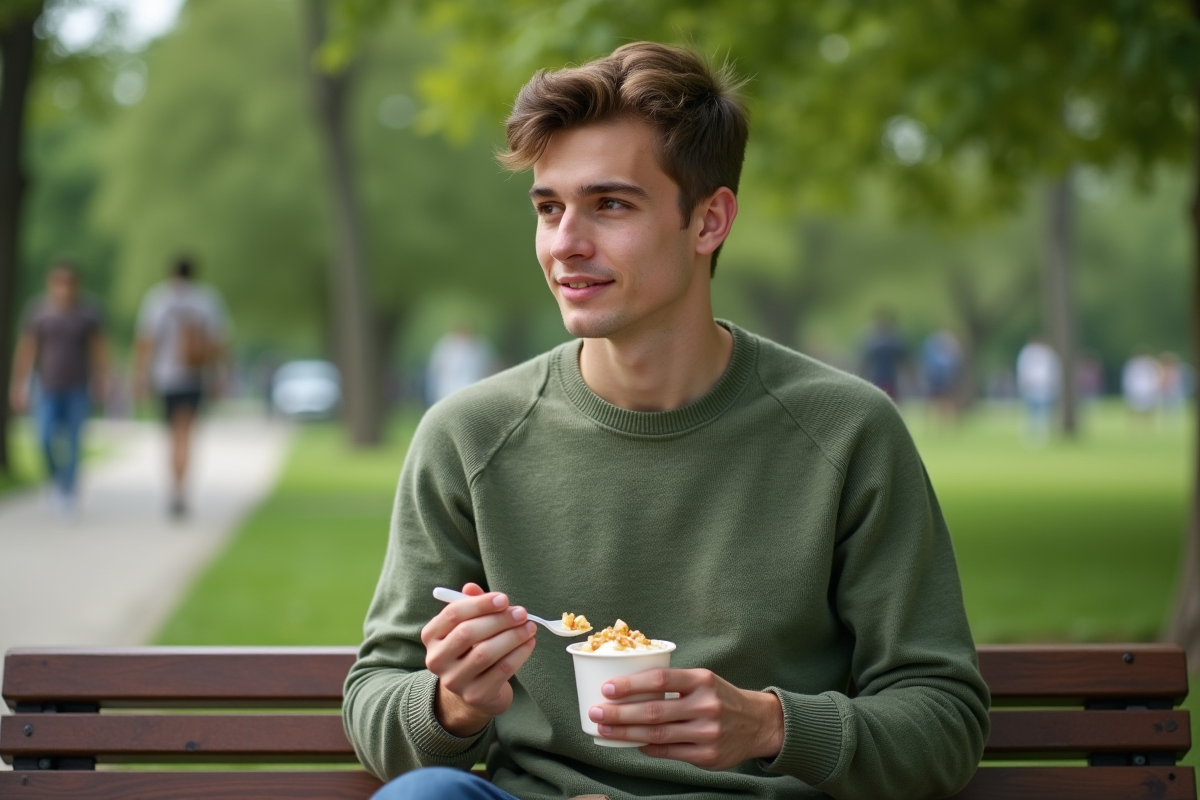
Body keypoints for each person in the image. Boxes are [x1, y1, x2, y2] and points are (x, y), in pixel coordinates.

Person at [345, 42, 989, 800]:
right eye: (549, 207)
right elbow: (375, 696)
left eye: (609, 204)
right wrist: (451, 707)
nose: (564, 245)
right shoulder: (469, 436)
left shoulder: (846, 432)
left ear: (709, 221)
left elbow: (945, 720)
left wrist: (772, 726)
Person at [8, 262, 107, 518]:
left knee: (73, 441)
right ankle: (56, 480)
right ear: (50, 284)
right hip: (47, 387)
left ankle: (68, 493)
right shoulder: (39, 312)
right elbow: (27, 348)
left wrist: (103, 379)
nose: (63, 289)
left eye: (68, 283)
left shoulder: (87, 314)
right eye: (58, 283)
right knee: (43, 438)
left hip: (78, 387)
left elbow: (99, 349)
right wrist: (18, 383)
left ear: (76, 285)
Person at [133, 256, 229, 518]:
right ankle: (181, 491)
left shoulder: (158, 299)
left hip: (165, 378)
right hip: (194, 377)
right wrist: (222, 375)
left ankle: (173, 489)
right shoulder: (206, 299)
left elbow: (146, 340)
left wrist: (141, 375)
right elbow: (218, 341)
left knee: (171, 437)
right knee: (186, 435)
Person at [425, 324, 496, 405]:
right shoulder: (446, 344)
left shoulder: (482, 346)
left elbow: (490, 366)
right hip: (448, 388)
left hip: (472, 388)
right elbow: (435, 366)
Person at [1015, 337, 1060, 446]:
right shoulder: (1029, 353)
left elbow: (1054, 371)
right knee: (1033, 413)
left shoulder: (1047, 354)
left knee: (1040, 414)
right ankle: (1033, 436)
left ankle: (1039, 436)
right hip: (1033, 386)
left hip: (1043, 387)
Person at [859, 309, 906, 401]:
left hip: (885, 379)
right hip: (881, 379)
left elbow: (865, 363)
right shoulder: (893, 342)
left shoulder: (875, 343)